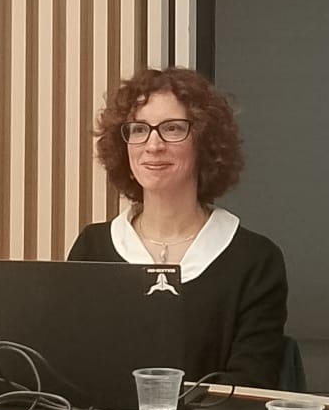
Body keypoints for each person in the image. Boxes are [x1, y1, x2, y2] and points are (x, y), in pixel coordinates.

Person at [68, 67, 288, 388]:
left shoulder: (256, 260)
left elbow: (251, 384)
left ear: (205, 142)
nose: (153, 145)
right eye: (139, 129)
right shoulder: (93, 247)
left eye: (172, 129)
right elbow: (71, 367)